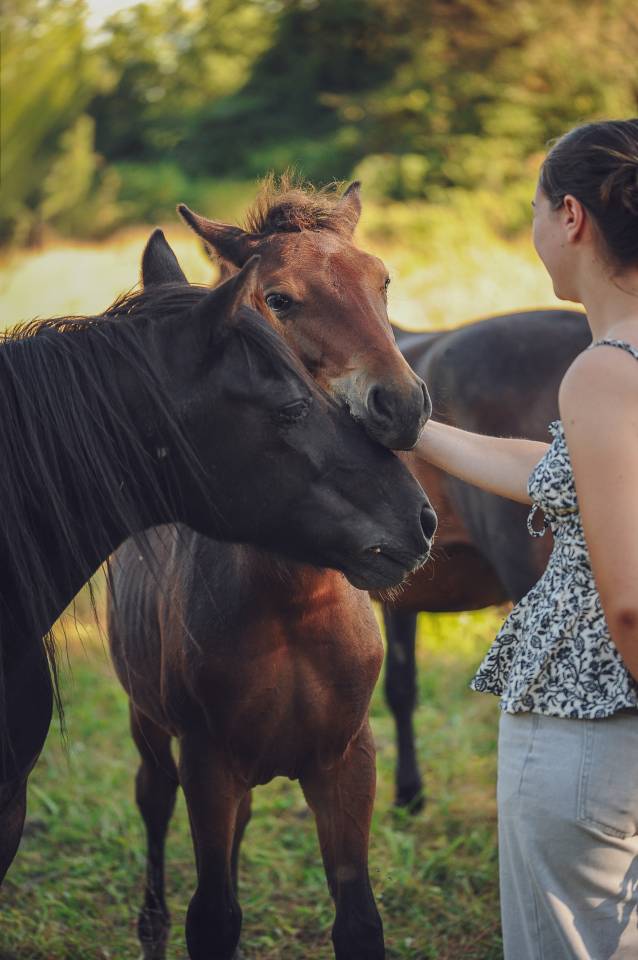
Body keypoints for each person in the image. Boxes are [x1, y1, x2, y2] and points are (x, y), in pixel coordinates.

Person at [414, 119, 638, 959]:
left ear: (572, 216)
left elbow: (630, 607)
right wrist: (417, 429)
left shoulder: (611, 369)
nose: (536, 228)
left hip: (593, 737)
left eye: (536, 207)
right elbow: (574, 472)